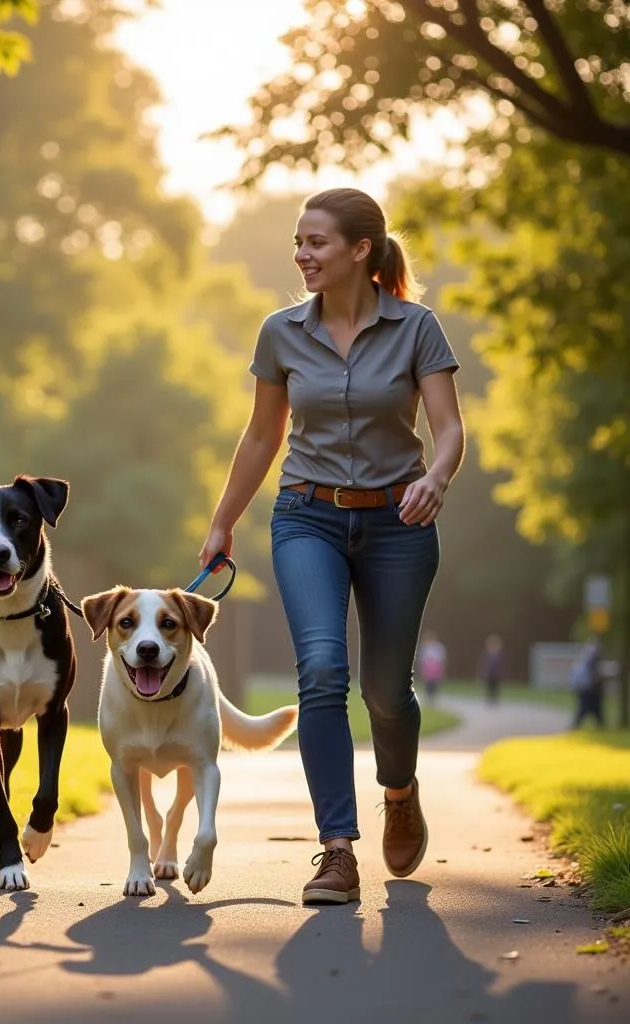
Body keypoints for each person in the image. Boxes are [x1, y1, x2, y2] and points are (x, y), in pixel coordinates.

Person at [199, 187, 465, 906]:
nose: (301, 255)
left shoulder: (417, 328)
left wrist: (436, 478)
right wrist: (224, 521)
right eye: (298, 241)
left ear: (359, 250)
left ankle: (400, 792)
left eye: (316, 242)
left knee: (386, 690)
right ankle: (337, 851)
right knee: (320, 669)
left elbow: (448, 429)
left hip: (398, 526)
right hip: (306, 516)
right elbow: (262, 435)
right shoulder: (281, 332)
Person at [570, 635, 604, 729]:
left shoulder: (584, 656)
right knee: (586, 709)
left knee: (592, 710)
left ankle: (600, 725)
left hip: (585, 687)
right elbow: (595, 674)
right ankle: (576, 726)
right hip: (589, 688)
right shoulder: (593, 659)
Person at [416, 630, 448, 706]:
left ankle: (433, 697)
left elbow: (442, 660)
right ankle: (428, 697)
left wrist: (443, 670)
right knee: (428, 683)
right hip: (427, 669)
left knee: (434, 683)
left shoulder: (439, 648)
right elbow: (421, 660)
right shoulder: (424, 648)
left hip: (436, 669)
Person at [478, 634, 505, 705]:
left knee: (495, 687)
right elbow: (483, 665)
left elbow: (502, 666)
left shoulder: (499, 655)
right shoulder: (486, 655)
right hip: (489, 674)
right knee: (489, 687)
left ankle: (495, 699)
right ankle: (489, 699)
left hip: (496, 675)